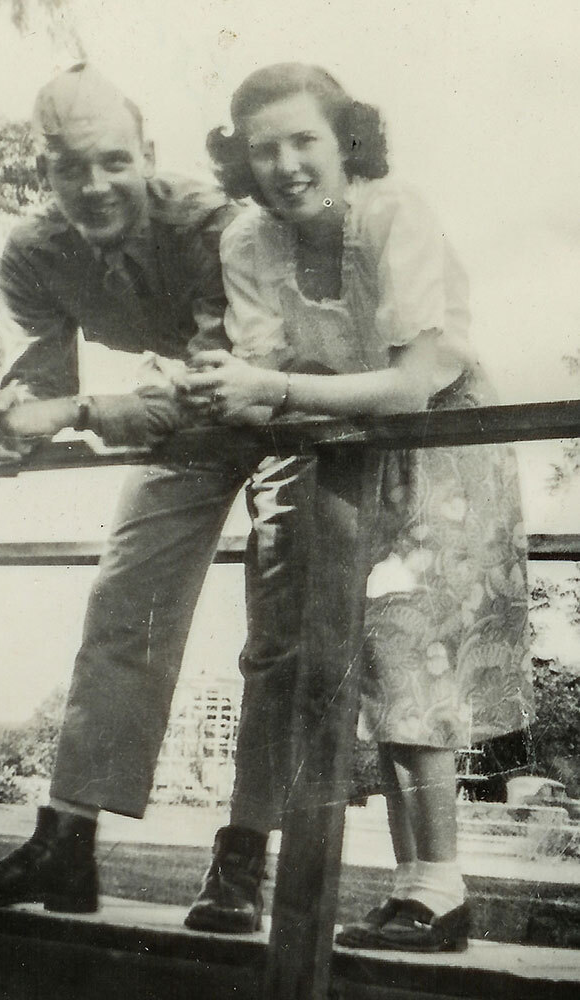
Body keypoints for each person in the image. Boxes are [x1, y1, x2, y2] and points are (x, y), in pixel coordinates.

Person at [0, 62, 313, 934]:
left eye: (111, 161)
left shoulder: (216, 223)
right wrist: (5, 413)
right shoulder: (33, 252)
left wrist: (74, 410)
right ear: (44, 173)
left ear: (147, 152)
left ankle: (243, 858)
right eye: (70, 167)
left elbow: (220, 386)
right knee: (122, 607)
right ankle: (65, 844)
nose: (94, 185)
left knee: (283, 637)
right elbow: (38, 385)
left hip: (286, 397)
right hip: (185, 418)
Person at [184, 63, 534, 952]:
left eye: (305, 139)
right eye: (264, 149)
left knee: (410, 643)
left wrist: (269, 385)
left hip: (440, 438)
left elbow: (415, 384)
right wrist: (231, 393)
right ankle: (407, 892)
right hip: (337, 449)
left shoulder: (392, 213)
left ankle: (437, 892)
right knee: (343, 658)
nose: (287, 165)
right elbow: (263, 388)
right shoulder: (249, 243)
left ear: (347, 139)